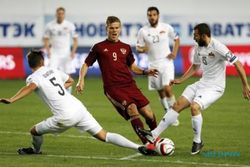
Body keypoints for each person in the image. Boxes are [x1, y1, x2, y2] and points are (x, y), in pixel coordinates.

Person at [0, 50, 153, 155]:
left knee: (34, 131)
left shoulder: (33, 78)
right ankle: (138, 147)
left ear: (29, 64)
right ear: (43, 61)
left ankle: (35, 150)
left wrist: (12, 99)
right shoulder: (52, 70)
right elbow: (70, 81)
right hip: (78, 108)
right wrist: (60, 87)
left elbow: (30, 87)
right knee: (104, 135)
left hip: (64, 116)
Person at [138, 23, 250, 155]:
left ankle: (197, 141)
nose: (194, 38)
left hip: (215, 87)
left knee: (194, 107)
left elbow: (237, 63)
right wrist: (181, 79)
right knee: (177, 105)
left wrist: (245, 85)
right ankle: (153, 134)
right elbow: (195, 66)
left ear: (203, 35)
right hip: (202, 83)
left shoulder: (218, 47)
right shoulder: (198, 47)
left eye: (195, 35)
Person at [76, 16, 159, 144]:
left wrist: (145, 71)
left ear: (120, 29)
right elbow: (86, 64)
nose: (114, 31)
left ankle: (156, 139)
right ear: (106, 29)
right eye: (111, 28)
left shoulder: (125, 47)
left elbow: (133, 67)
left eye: (116, 28)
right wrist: (81, 80)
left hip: (130, 85)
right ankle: (147, 144)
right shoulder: (99, 47)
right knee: (132, 109)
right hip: (113, 88)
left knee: (148, 113)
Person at [136, 6, 180, 126]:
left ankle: (173, 115)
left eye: (154, 15)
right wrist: (143, 49)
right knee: (160, 91)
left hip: (166, 63)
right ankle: (167, 111)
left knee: (167, 88)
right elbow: (138, 47)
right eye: (150, 15)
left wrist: (174, 53)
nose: (152, 17)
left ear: (158, 15)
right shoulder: (143, 31)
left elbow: (176, 39)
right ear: (147, 16)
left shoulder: (166, 27)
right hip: (153, 65)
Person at [43, 7, 78, 93]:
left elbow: (75, 40)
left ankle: (68, 94)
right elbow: (46, 39)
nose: (60, 15)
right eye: (59, 13)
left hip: (66, 53)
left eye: (62, 14)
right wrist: (48, 50)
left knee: (67, 74)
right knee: (51, 73)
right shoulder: (50, 25)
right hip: (54, 52)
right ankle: (52, 92)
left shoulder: (69, 25)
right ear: (56, 14)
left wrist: (73, 52)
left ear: (64, 15)